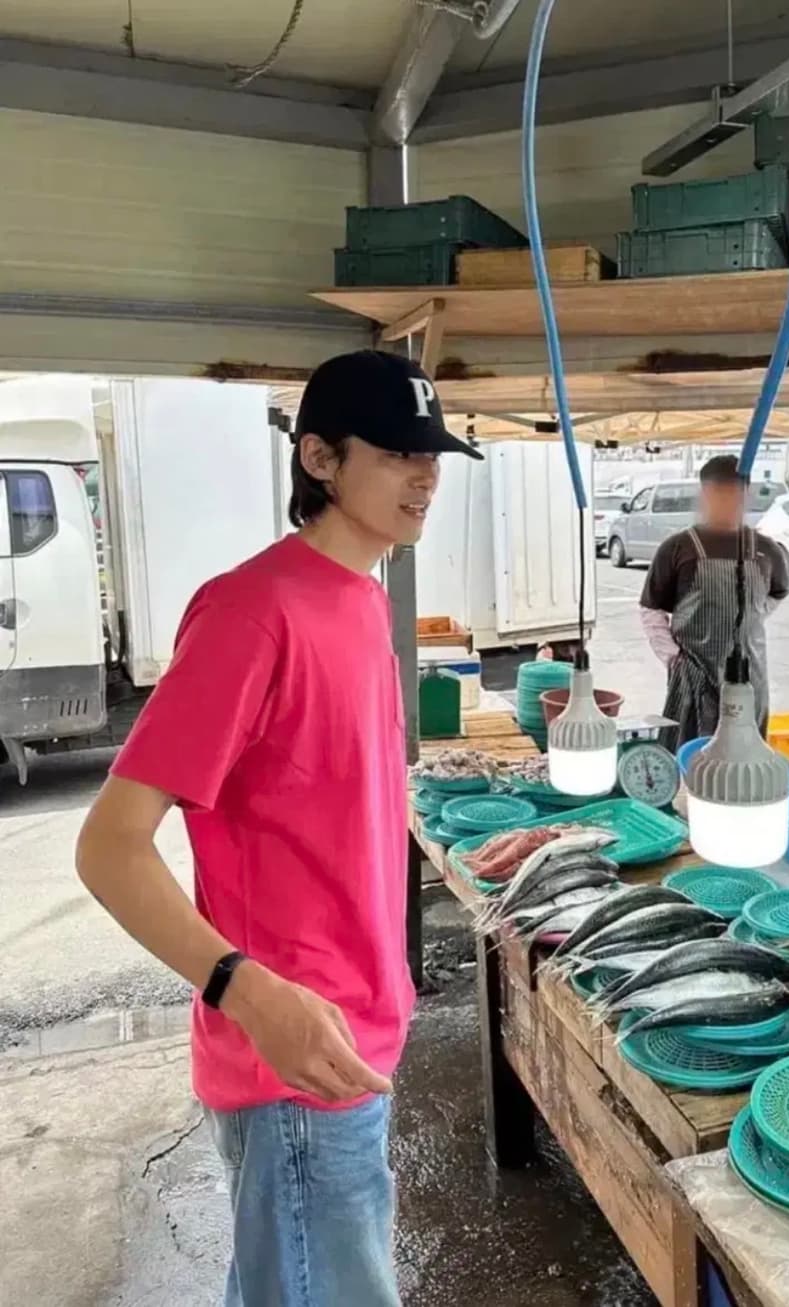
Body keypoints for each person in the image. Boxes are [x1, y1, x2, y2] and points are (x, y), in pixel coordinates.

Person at [75, 351, 483, 1307]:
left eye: (434, 452)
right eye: (395, 452)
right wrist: (245, 990)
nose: (426, 474)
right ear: (320, 459)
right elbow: (110, 845)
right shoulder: (253, 611)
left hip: (358, 1032)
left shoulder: (365, 598)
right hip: (292, 1062)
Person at [640, 455, 789, 751]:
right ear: (705, 494)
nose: (726, 501)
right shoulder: (679, 548)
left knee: (746, 756)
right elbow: (651, 608)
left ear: (745, 494)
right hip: (693, 675)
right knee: (691, 753)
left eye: (733, 493)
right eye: (718, 493)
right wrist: (673, 658)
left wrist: (751, 616)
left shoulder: (766, 550)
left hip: (751, 676)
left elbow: (777, 593)